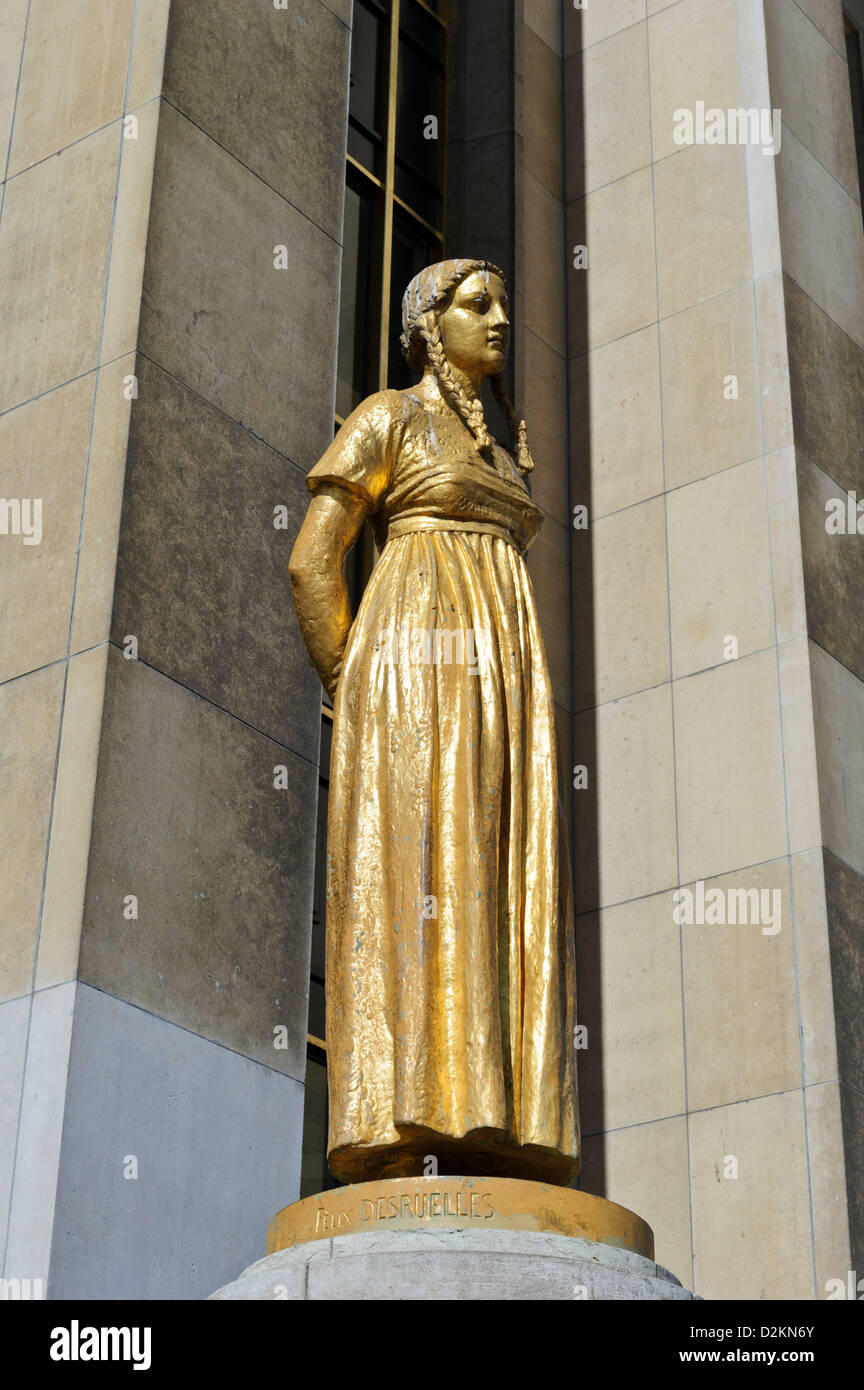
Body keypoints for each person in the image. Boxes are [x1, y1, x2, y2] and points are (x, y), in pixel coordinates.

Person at [289, 258, 580, 1185]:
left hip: (503, 688)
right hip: (415, 676)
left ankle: (496, 1115)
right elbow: (313, 563)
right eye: (477, 304)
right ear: (427, 323)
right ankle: (406, 1109)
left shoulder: (503, 448)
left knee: (498, 869)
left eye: (503, 302)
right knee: (424, 862)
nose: (499, 319)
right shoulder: (390, 415)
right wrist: (359, 681)